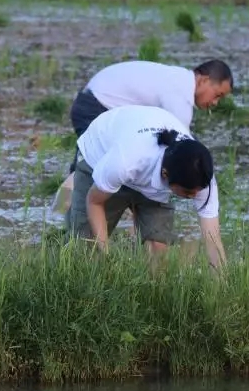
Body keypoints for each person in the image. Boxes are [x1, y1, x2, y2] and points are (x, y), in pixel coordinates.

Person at [50, 59, 234, 214]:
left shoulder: (177, 77)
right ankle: (58, 217)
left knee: (109, 172)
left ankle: (58, 218)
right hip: (98, 105)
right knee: (87, 169)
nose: (215, 103)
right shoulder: (180, 97)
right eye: (217, 95)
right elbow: (181, 151)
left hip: (94, 99)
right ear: (204, 80)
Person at [65, 105, 226, 269]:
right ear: (165, 174)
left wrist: (222, 279)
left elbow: (213, 238)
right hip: (101, 156)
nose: (194, 196)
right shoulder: (125, 162)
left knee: (158, 250)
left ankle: (152, 285)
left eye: (197, 192)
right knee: (85, 250)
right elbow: (94, 202)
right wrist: (106, 256)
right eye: (188, 193)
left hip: (145, 168)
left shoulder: (200, 177)